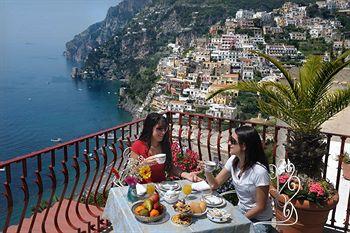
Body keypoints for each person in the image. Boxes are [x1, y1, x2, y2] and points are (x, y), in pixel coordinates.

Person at [204, 125, 273, 233]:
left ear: (244, 146)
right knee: (212, 225)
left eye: (232, 141)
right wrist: (207, 171)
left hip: (259, 220)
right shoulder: (233, 161)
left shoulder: (259, 171)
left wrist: (239, 221)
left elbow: (261, 206)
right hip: (241, 211)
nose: (229, 143)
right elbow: (215, 184)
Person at [130, 112, 202, 183]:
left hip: (162, 186)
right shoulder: (138, 145)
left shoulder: (164, 145)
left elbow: (170, 167)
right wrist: (143, 164)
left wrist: (186, 175)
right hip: (144, 188)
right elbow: (132, 172)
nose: (163, 132)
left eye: (165, 129)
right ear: (150, 128)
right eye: (159, 129)